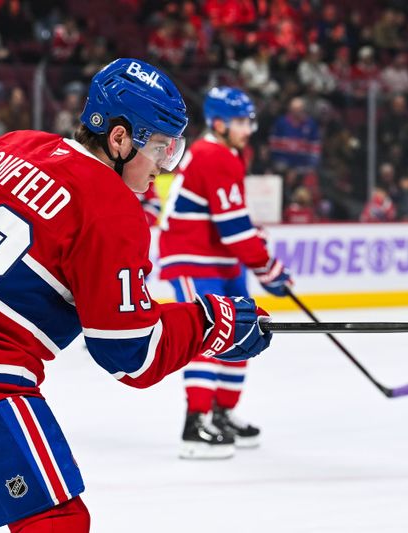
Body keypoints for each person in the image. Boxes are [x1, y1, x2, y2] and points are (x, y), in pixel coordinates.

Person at [0, 59, 274, 532]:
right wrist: (213, 325)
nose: (164, 165)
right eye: (160, 147)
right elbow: (131, 353)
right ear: (119, 139)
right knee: (55, 520)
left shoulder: (13, 145)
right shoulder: (111, 207)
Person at [159, 87, 292, 459]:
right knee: (206, 332)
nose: (248, 128)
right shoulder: (212, 154)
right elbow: (233, 228)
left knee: (245, 327)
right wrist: (268, 268)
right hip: (191, 257)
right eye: (240, 122)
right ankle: (195, 423)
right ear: (218, 123)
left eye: (250, 121)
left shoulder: (227, 153)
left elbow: (232, 220)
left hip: (220, 259)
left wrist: (260, 256)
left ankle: (222, 412)